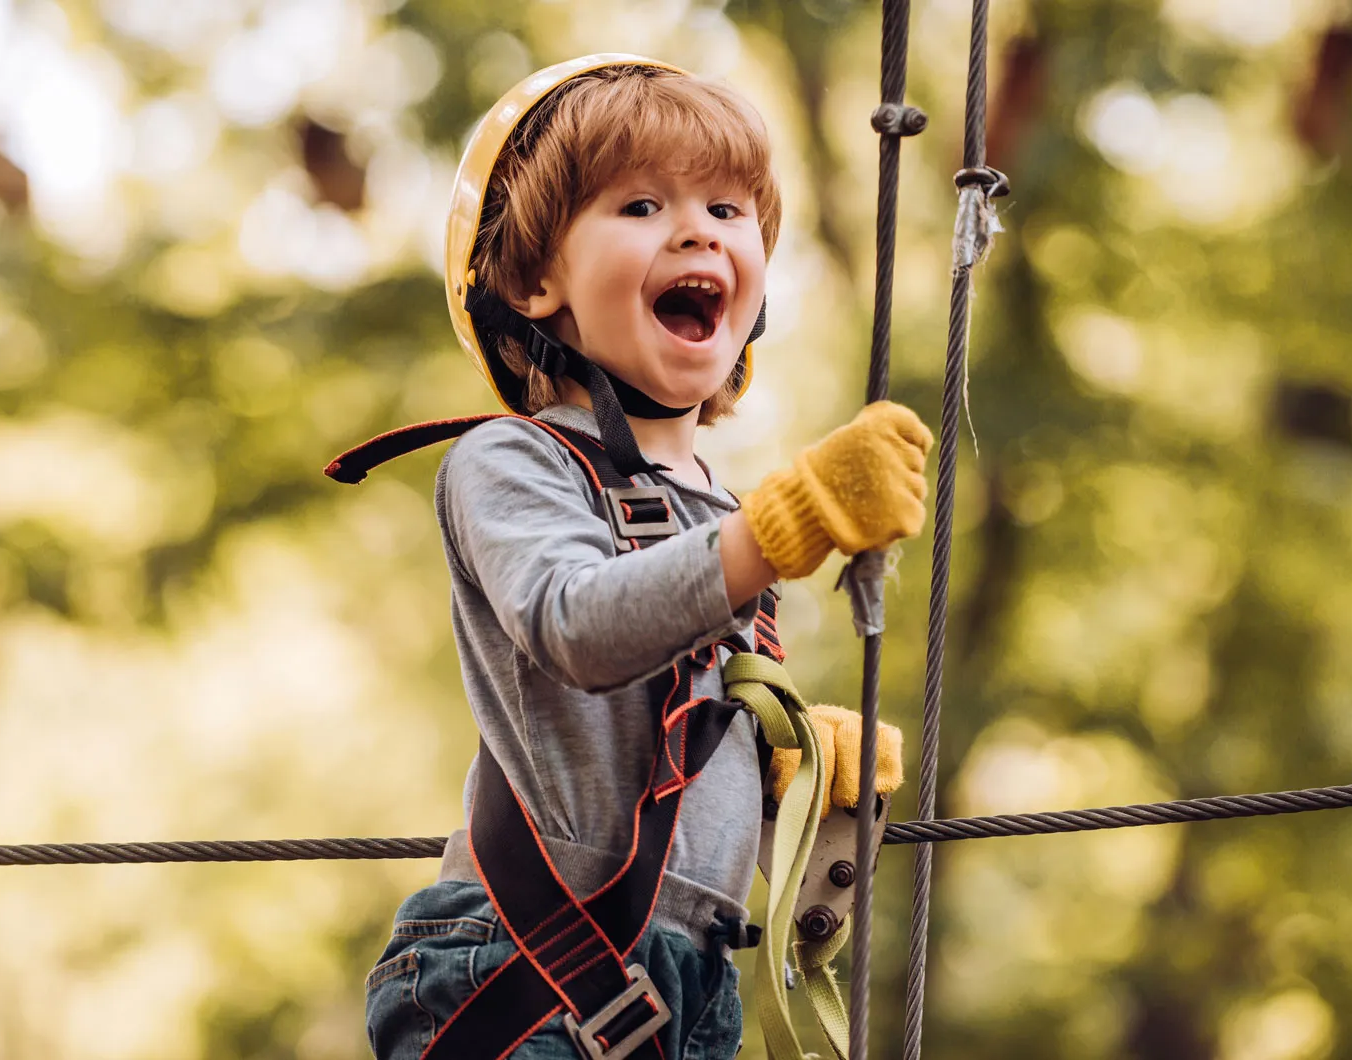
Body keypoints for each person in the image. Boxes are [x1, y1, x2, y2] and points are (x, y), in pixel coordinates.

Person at [352, 54, 931, 1060]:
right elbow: (577, 623)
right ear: (534, 281)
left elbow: (657, 729)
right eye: (640, 206)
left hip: (686, 980)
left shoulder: (715, 512)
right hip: (520, 963)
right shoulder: (511, 459)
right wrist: (778, 530)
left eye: (725, 206)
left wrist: (778, 756)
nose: (698, 228)